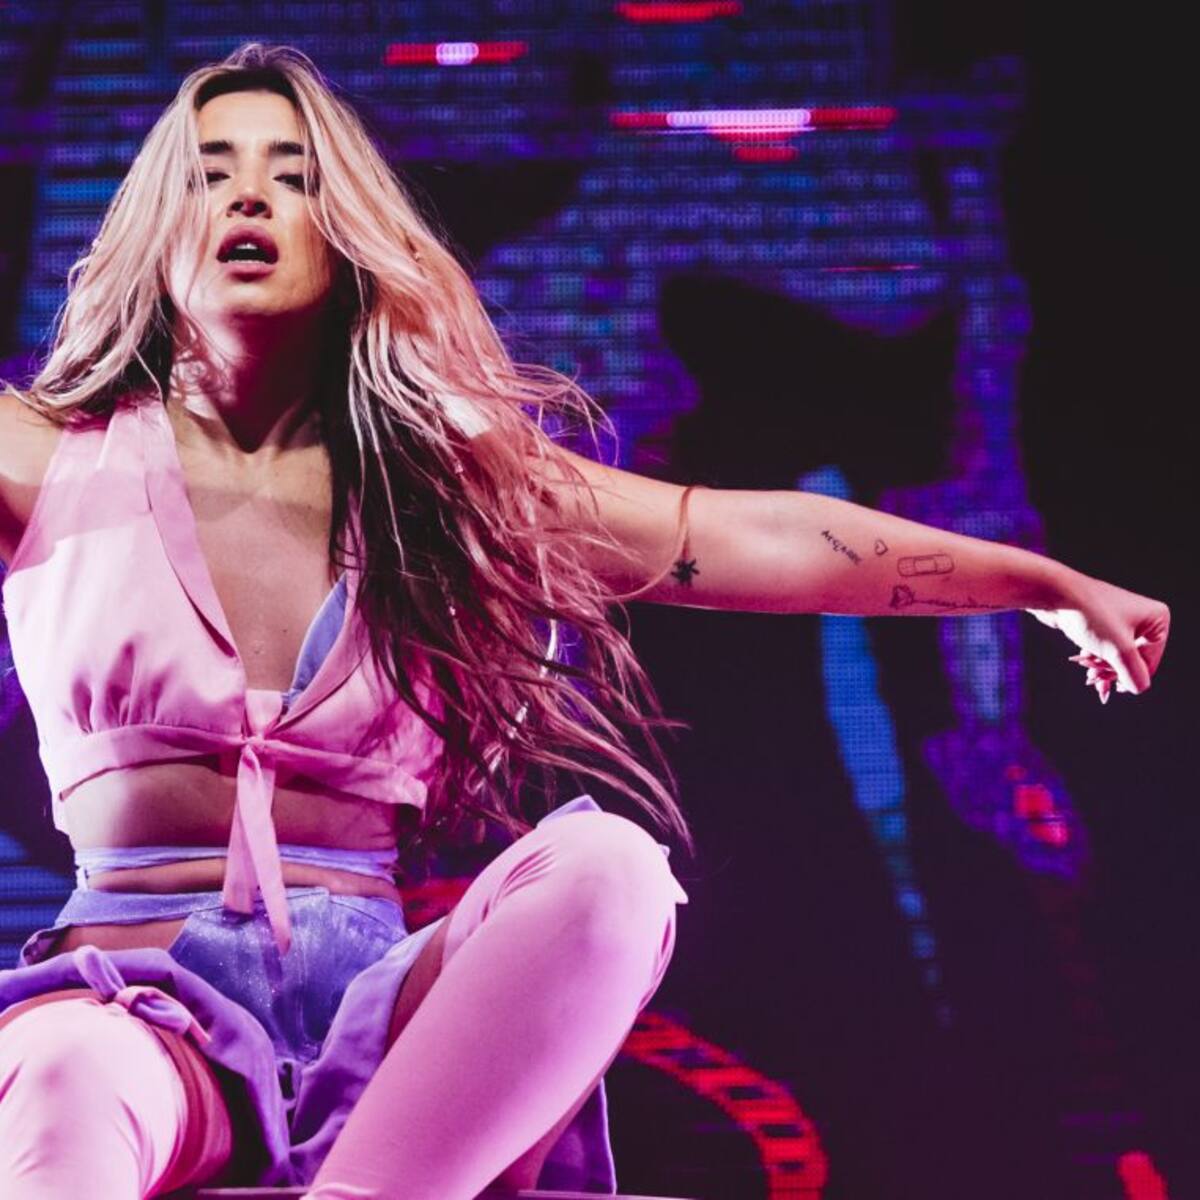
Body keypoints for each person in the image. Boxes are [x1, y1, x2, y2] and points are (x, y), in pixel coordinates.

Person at [0, 43, 1170, 1200]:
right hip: (137, 1013)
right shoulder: (52, 460)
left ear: (344, 233)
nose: (250, 195)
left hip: (380, 1034)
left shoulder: (442, 485)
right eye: (210, 172)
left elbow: (757, 538)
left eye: (293, 175)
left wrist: (1039, 583)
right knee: (62, 1075)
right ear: (158, 225)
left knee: (612, 868)